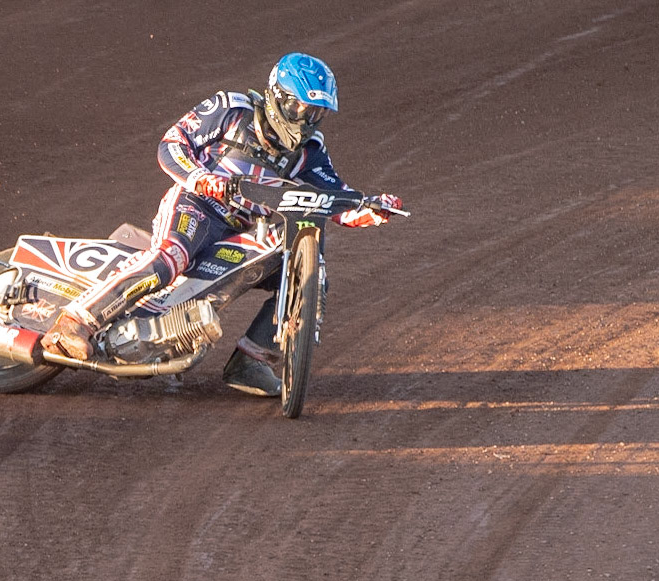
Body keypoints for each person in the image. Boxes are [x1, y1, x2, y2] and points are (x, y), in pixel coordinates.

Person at [42, 52, 403, 396]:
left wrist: (372, 207)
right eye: (300, 108)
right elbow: (171, 144)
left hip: (247, 228)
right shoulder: (232, 109)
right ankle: (76, 321)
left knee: (307, 278)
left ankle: (251, 362)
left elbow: (334, 198)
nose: (306, 120)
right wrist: (200, 178)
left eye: (316, 113)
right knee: (170, 258)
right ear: (278, 97)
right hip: (198, 204)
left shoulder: (310, 150)